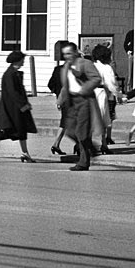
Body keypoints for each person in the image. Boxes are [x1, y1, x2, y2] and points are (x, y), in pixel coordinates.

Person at [0, 51, 37, 163]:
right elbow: (13, 92)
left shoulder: (14, 73)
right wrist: (23, 105)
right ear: (17, 60)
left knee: (21, 130)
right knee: (5, 130)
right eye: (22, 60)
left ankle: (25, 153)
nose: (23, 62)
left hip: (16, 107)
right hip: (11, 108)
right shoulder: (10, 74)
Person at [56, 43, 101, 171]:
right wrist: (60, 99)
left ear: (75, 52)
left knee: (81, 131)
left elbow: (96, 78)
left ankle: (83, 162)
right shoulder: (66, 67)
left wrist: (84, 89)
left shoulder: (85, 63)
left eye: (69, 53)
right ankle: (91, 147)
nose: (67, 56)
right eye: (65, 54)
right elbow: (66, 85)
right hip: (71, 101)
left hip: (84, 100)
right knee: (69, 129)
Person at [91, 44, 120, 153]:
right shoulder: (107, 68)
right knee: (103, 119)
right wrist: (119, 95)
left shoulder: (91, 66)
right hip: (100, 93)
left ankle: (83, 144)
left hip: (89, 93)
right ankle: (103, 144)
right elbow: (111, 84)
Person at [47, 39, 71, 155]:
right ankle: (56, 144)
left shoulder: (57, 70)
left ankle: (57, 144)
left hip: (61, 100)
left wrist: (57, 94)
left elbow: (50, 84)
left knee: (66, 122)